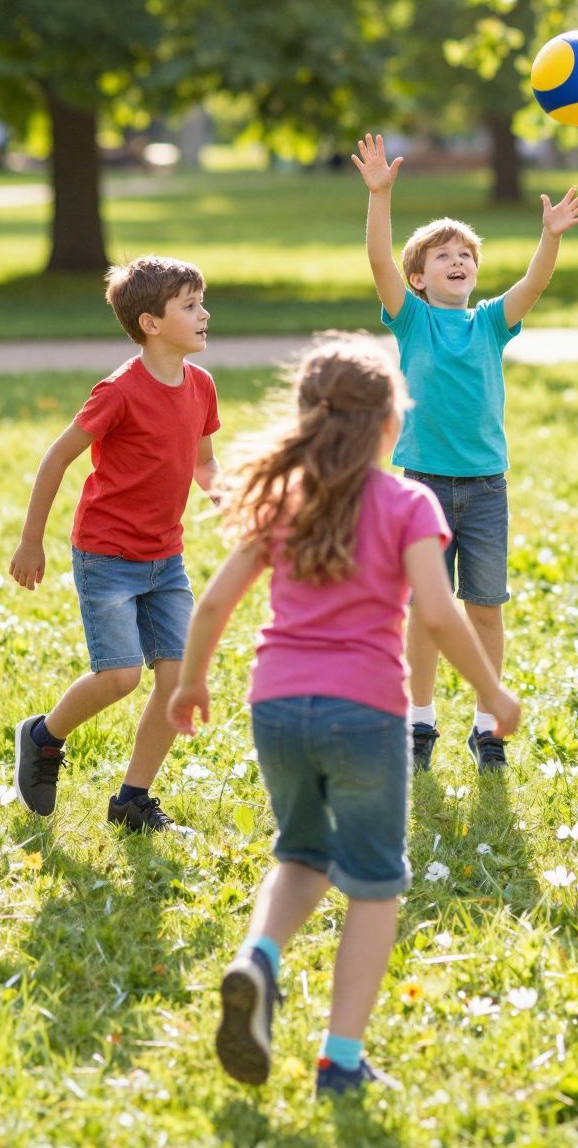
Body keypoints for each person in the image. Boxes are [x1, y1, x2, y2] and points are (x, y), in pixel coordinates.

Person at [165, 334, 521, 1096]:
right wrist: (490, 694)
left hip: (276, 707)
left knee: (298, 855)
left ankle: (258, 957)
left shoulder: (281, 500)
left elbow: (218, 601)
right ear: (391, 425)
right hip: (363, 715)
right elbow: (439, 612)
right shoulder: (407, 501)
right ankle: (342, 1061)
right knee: (374, 885)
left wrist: (191, 683)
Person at [351, 130, 578, 773]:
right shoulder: (412, 318)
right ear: (419, 278)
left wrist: (552, 236)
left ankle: (488, 726)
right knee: (427, 611)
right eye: (444, 257)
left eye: (467, 256)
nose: (459, 263)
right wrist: (380, 197)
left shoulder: (488, 321)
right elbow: (377, 261)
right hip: (422, 484)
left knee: (485, 608)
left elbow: (532, 287)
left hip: (485, 487)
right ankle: (419, 723)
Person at [10, 257, 219, 832]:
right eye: (190, 305)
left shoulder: (201, 386)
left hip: (165, 559)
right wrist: (32, 542)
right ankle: (43, 736)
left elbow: (203, 462)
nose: (205, 314)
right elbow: (57, 457)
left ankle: (132, 799)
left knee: (175, 683)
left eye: (202, 302)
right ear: (152, 323)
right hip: (106, 556)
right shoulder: (120, 390)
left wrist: (229, 498)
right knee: (121, 676)